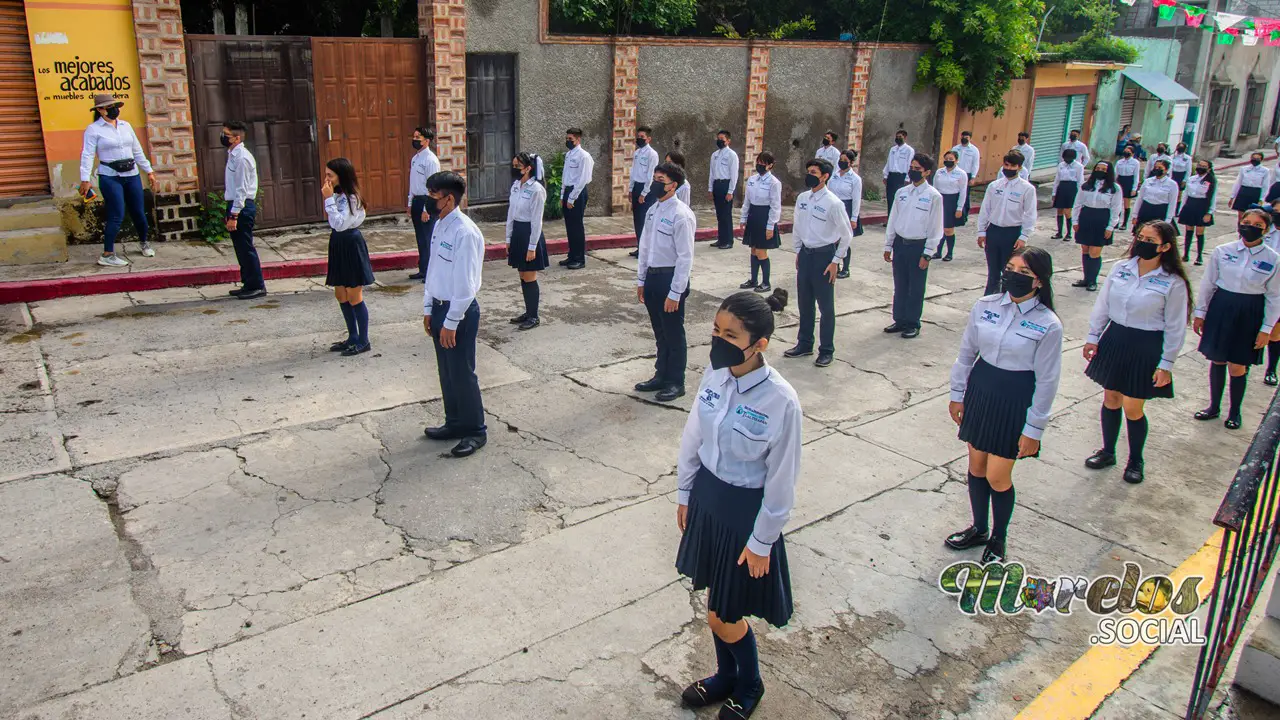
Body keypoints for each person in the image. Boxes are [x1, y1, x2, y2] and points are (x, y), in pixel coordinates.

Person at [675, 289, 794, 720]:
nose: (718, 340)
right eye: (715, 330)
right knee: (714, 605)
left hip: (745, 516)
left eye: (730, 334)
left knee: (725, 614)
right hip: (708, 499)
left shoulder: (781, 401)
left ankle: (749, 683)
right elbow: (694, 437)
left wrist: (763, 540)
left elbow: (782, 480)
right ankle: (726, 676)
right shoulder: (715, 376)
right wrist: (685, 492)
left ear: (759, 344)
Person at [945, 247, 1063, 563]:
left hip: (1015, 399)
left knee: (998, 476)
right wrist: (957, 394)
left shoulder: (1048, 324)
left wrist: (1034, 428)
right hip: (981, 391)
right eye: (1010, 267)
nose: (1013, 275)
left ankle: (999, 538)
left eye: (1024, 273)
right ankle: (979, 528)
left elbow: (1048, 380)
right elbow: (967, 353)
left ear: (1039, 281)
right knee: (977, 466)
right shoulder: (985, 306)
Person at [1082, 221, 1192, 484]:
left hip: (1146, 344)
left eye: (1149, 240)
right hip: (1116, 337)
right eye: (1139, 237)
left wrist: (1166, 363)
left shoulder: (1173, 283)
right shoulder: (1121, 269)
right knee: (1111, 397)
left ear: (1165, 247)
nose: (1141, 242)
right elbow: (1103, 305)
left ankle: (1135, 459)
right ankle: (1108, 451)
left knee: (1133, 406)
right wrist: (1093, 337)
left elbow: (1175, 326)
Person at [1193, 209, 1280, 430]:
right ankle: (1213, 407)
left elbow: (1274, 296)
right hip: (1222, 307)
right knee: (1217, 359)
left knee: (1238, 365)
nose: (1249, 227)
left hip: (1250, 310)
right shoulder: (1223, 251)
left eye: (1257, 225)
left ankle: (1234, 411)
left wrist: (1266, 328)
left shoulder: (1273, 259)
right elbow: (1208, 284)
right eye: (1246, 222)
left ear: (1266, 230)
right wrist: (1200, 313)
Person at [422, 171, 488, 458]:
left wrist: (451, 321)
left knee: (462, 373)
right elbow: (433, 271)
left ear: (448, 199)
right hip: (439, 307)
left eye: (433, 195)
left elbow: (466, 285)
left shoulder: (465, 232)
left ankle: (475, 431)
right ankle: (454, 422)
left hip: (457, 312)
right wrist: (428, 308)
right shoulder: (440, 225)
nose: (429, 200)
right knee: (447, 372)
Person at [634, 162, 697, 403]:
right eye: (655, 178)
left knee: (673, 332)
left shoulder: (681, 214)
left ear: (673, 185)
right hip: (653, 277)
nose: (655, 183)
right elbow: (645, 247)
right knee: (660, 332)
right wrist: (641, 279)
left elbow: (685, 257)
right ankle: (661, 375)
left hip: (671, 279)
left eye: (661, 179)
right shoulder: (653, 210)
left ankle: (676, 381)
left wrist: (676, 292)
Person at [785, 158, 854, 365]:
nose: (810, 175)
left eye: (814, 172)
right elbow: (798, 226)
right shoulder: (803, 198)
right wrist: (798, 250)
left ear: (825, 176)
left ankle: (826, 350)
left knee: (825, 307)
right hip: (806, 254)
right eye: (809, 171)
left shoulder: (833, 203)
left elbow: (847, 235)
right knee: (804, 303)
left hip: (825, 256)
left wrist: (835, 261)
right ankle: (804, 344)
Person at [79, 93, 156, 267]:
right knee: (117, 214)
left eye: (115, 106)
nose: (114, 110)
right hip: (110, 176)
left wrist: (148, 170)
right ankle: (107, 254)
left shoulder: (125, 126)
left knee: (138, 211)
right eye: (109, 107)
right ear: (100, 110)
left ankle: (144, 242)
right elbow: (88, 154)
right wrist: (85, 179)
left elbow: (137, 150)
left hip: (132, 174)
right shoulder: (94, 130)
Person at [882, 153, 944, 340]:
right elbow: (893, 219)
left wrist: (928, 253)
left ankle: (912, 323)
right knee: (900, 285)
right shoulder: (902, 193)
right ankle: (899, 319)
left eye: (918, 169)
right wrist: (889, 244)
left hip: (919, 246)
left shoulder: (933, 197)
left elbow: (936, 227)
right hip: (900, 244)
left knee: (915, 287)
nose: (913, 171)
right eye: (912, 168)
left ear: (927, 172)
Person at [322, 158, 375, 357]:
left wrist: (328, 200)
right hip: (338, 243)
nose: (327, 179)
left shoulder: (353, 198)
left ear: (341, 176)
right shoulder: (338, 195)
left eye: (330, 175)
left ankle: (364, 340)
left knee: (354, 296)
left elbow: (340, 223)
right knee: (341, 294)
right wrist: (330, 198)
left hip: (350, 243)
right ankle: (352, 336)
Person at [977, 150, 1037, 295]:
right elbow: (986, 209)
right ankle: (989, 300)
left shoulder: (1027, 189)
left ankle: (1006, 299)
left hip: (1012, 233)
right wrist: (981, 231)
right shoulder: (994, 186)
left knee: (1008, 271)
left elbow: (1030, 214)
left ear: (1020, 168)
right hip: (994, 231)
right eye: (1006, 165)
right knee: (993, 272)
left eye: (1013, 166)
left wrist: (1024, 237)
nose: (1009, 169)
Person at [505, 152, 550, 331]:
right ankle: (528, 311)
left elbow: (537, 221)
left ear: (528, 168)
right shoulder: (516, 186)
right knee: (522, 274)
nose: (514, 169)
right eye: (513, 165)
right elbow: (510, 213)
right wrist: (508, 238)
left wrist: (532, 247)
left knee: (530, 276)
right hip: (517, 232)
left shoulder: (537, 190)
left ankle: (534, 316)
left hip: (530, 234)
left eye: (518, 166)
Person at [221, 121, 264, 300]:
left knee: (246, 247)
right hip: (235, 205)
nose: (223, 137)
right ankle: (248, 283)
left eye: (226, 135)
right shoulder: (233, 155)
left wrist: (234, 214)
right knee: (240, 248)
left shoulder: (242, 158)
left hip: (242, 206)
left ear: (237, 138)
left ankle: (257, 285)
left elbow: (241, 188)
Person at [1070, 159, 1124, 291]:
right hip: (1086, 217)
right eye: (1098, 169)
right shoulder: (1086, 185)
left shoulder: (1114, 188)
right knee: (1085, 249)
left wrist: (1111, 226)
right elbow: (1077, 204)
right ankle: (1086, 278)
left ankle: (1092, 280)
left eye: (1103, 170)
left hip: (1102, 219)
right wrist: (1075, 221)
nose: (1100, 172)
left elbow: (1116, 208)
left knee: (1095, 251)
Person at [739, 152, 783, 292]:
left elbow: (775, 206)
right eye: (758, 162)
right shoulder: (752, 179)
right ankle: (753, 279)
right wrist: (743, 218)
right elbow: (747, 200)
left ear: (770, 165)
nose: (759, 165)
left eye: (763, 163)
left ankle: (766, 282)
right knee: (753, 249)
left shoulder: (774, 183)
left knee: (761, 251)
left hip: (765, 216)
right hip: (753, 215)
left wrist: (770, 225)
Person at [407, 127, 440, 281]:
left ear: (427, 140)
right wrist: (409, 202)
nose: (414, 140)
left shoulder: (430, 160)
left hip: (427, 201)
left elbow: (433, 187)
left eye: (418, 138)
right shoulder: (415, 158)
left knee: (428, 239)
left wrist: (427, 209)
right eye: (413, 137)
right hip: (416, 201)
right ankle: (423, 269)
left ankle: (431, 273)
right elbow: (412, 182)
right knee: (420, 239)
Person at [560, 127, 594, 269]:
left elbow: (582, 180)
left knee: (577, 226)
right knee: (570, 226)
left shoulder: (584, 156)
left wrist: (572, 198)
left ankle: (579, 259)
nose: (568, 141)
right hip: (568, 191)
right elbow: (565, 176)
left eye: (571, 139)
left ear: (578, 140)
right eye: (567, 139)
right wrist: (563, 195)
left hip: (577, 193)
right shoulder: (569, 154)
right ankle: (572, 255)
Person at [827, 148, 863, 277]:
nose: (841, 162)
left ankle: (845, 268)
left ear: (851, 162)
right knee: (832, 238)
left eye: (845, 161)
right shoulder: (834, 176)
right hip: (833, 208)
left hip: (846, 208)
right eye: (840, 160)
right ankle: (832, 264)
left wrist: (854, 218)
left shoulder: (855, 179)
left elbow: (856, 199)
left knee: (844, 239)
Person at [628, 125, 661, 258]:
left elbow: (651, 175)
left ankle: (646, 249)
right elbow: (633, 172)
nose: (639, 139)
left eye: (642, 137)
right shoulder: (637, 153)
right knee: (637, 219)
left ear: (648, 139)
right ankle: (640, 246)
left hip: (646, 189)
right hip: (637, 186)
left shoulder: (652, 154)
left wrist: (644, 193)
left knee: (644, 219)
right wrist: (631, 189)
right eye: (638, 136)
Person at [1176, 159, 1216, 266]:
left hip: (1202, 206)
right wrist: (1181, 209)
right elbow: (1186, 194)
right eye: (1199, 165)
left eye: (1204, 166)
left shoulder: (1210, 180)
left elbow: (1212, 197)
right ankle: (1186, 254)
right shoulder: (1192, 179)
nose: (1200, 167)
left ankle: (1199, 256)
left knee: (1199, 232)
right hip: (1190, 205)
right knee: (1188, 231)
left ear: (1209, 169)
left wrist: (1209, 212)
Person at [932, 150, 969, 261]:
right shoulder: (939, 172)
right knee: (939, 228)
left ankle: (949, 253)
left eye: (951, 159)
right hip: (940, 199)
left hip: (952, 201)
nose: (948, 161)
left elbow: (963, 192)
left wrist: (959, 208)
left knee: (948, 229)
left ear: (956, 161)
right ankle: (938, 252)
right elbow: (934, 188)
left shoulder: (961, 174)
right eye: (946, 159)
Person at [708, 130, 740, 250]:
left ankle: (728, 240)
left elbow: (734, 175)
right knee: (719, 214)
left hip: (726, 185)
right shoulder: (714, 155)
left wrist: (730, 191)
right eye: (718, 138)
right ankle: (721, 239)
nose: (719, 141)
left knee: (726, 214)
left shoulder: (731, 155)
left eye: (722, 139)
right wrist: (710, 189)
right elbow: (711, 173)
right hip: (717, 184)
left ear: (728, 141)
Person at [1132, 160, 1178, 232]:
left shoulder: (1172, 184)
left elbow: (1172, 203)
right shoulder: (1148, 181)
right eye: (1155, 167)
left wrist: (1168, 219)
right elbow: (1140, 199)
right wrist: (1135, 215)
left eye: (1160, 167)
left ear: (1166, 170)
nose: (1157, 169)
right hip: (1146, 210)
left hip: (1160, 211)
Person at [1050, 148, 1085, 241]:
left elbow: (1080, 181)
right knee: (1059, 210)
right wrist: (1054, 192)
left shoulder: (1079, 166)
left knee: (1067, 211)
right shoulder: (1061, 165)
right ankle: (1059, 232)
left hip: (1071, 187)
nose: (1067, 160)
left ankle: (1069, 233)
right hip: (1062, 187)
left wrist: (1079, 194)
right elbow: (1057, 179)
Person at [1231, 153, 1273, 221]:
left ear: (1261, 160)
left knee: (1252, 214)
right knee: (1241, 214)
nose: (1255, 160)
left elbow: (1265, 186)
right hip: (1244, 191)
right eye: (1253, 158)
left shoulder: (1265, 171)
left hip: (1255, 192)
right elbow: (1238, 183)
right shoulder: (1244, 169)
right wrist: (1233, 196)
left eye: (1257, 158)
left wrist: (1261, 199)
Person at [883, 129, 915, 215]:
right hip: (891, 176)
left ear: (905, 137)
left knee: (900, 198)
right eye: (896, 137)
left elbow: (909, 164)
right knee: (890, 198)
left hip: (901, 176)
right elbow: (888, 162)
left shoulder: (909, 150)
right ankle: (890, 218)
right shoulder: (893, 149)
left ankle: (898, 217)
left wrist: (908, 178)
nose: (898, 138)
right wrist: (885, 176)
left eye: (900, 137)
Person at [950, 130, 981, 213]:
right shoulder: (955, 148)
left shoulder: (974, 150)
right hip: (955, 173)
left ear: (970, 138)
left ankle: (964, 212)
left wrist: (973, 177)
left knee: (965, 194)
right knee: (955, 192)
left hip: (967, 174)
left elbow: (975, 164)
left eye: (966, 137)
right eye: (963, 137)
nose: (964, 138)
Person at [1115, 147, 1142, 227]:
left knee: (1126, 203)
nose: (1126, 152)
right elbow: (1115, 173)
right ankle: (1116, 222)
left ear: (1132, 153)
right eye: (1125, 151)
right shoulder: (1119, 162)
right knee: (1118, 202)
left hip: (1129, 181)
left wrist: (1134, 188)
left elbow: (1136, 176)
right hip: (1120, 181)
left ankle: (1124, 223)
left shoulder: (1135, 163)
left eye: (1128, 151)